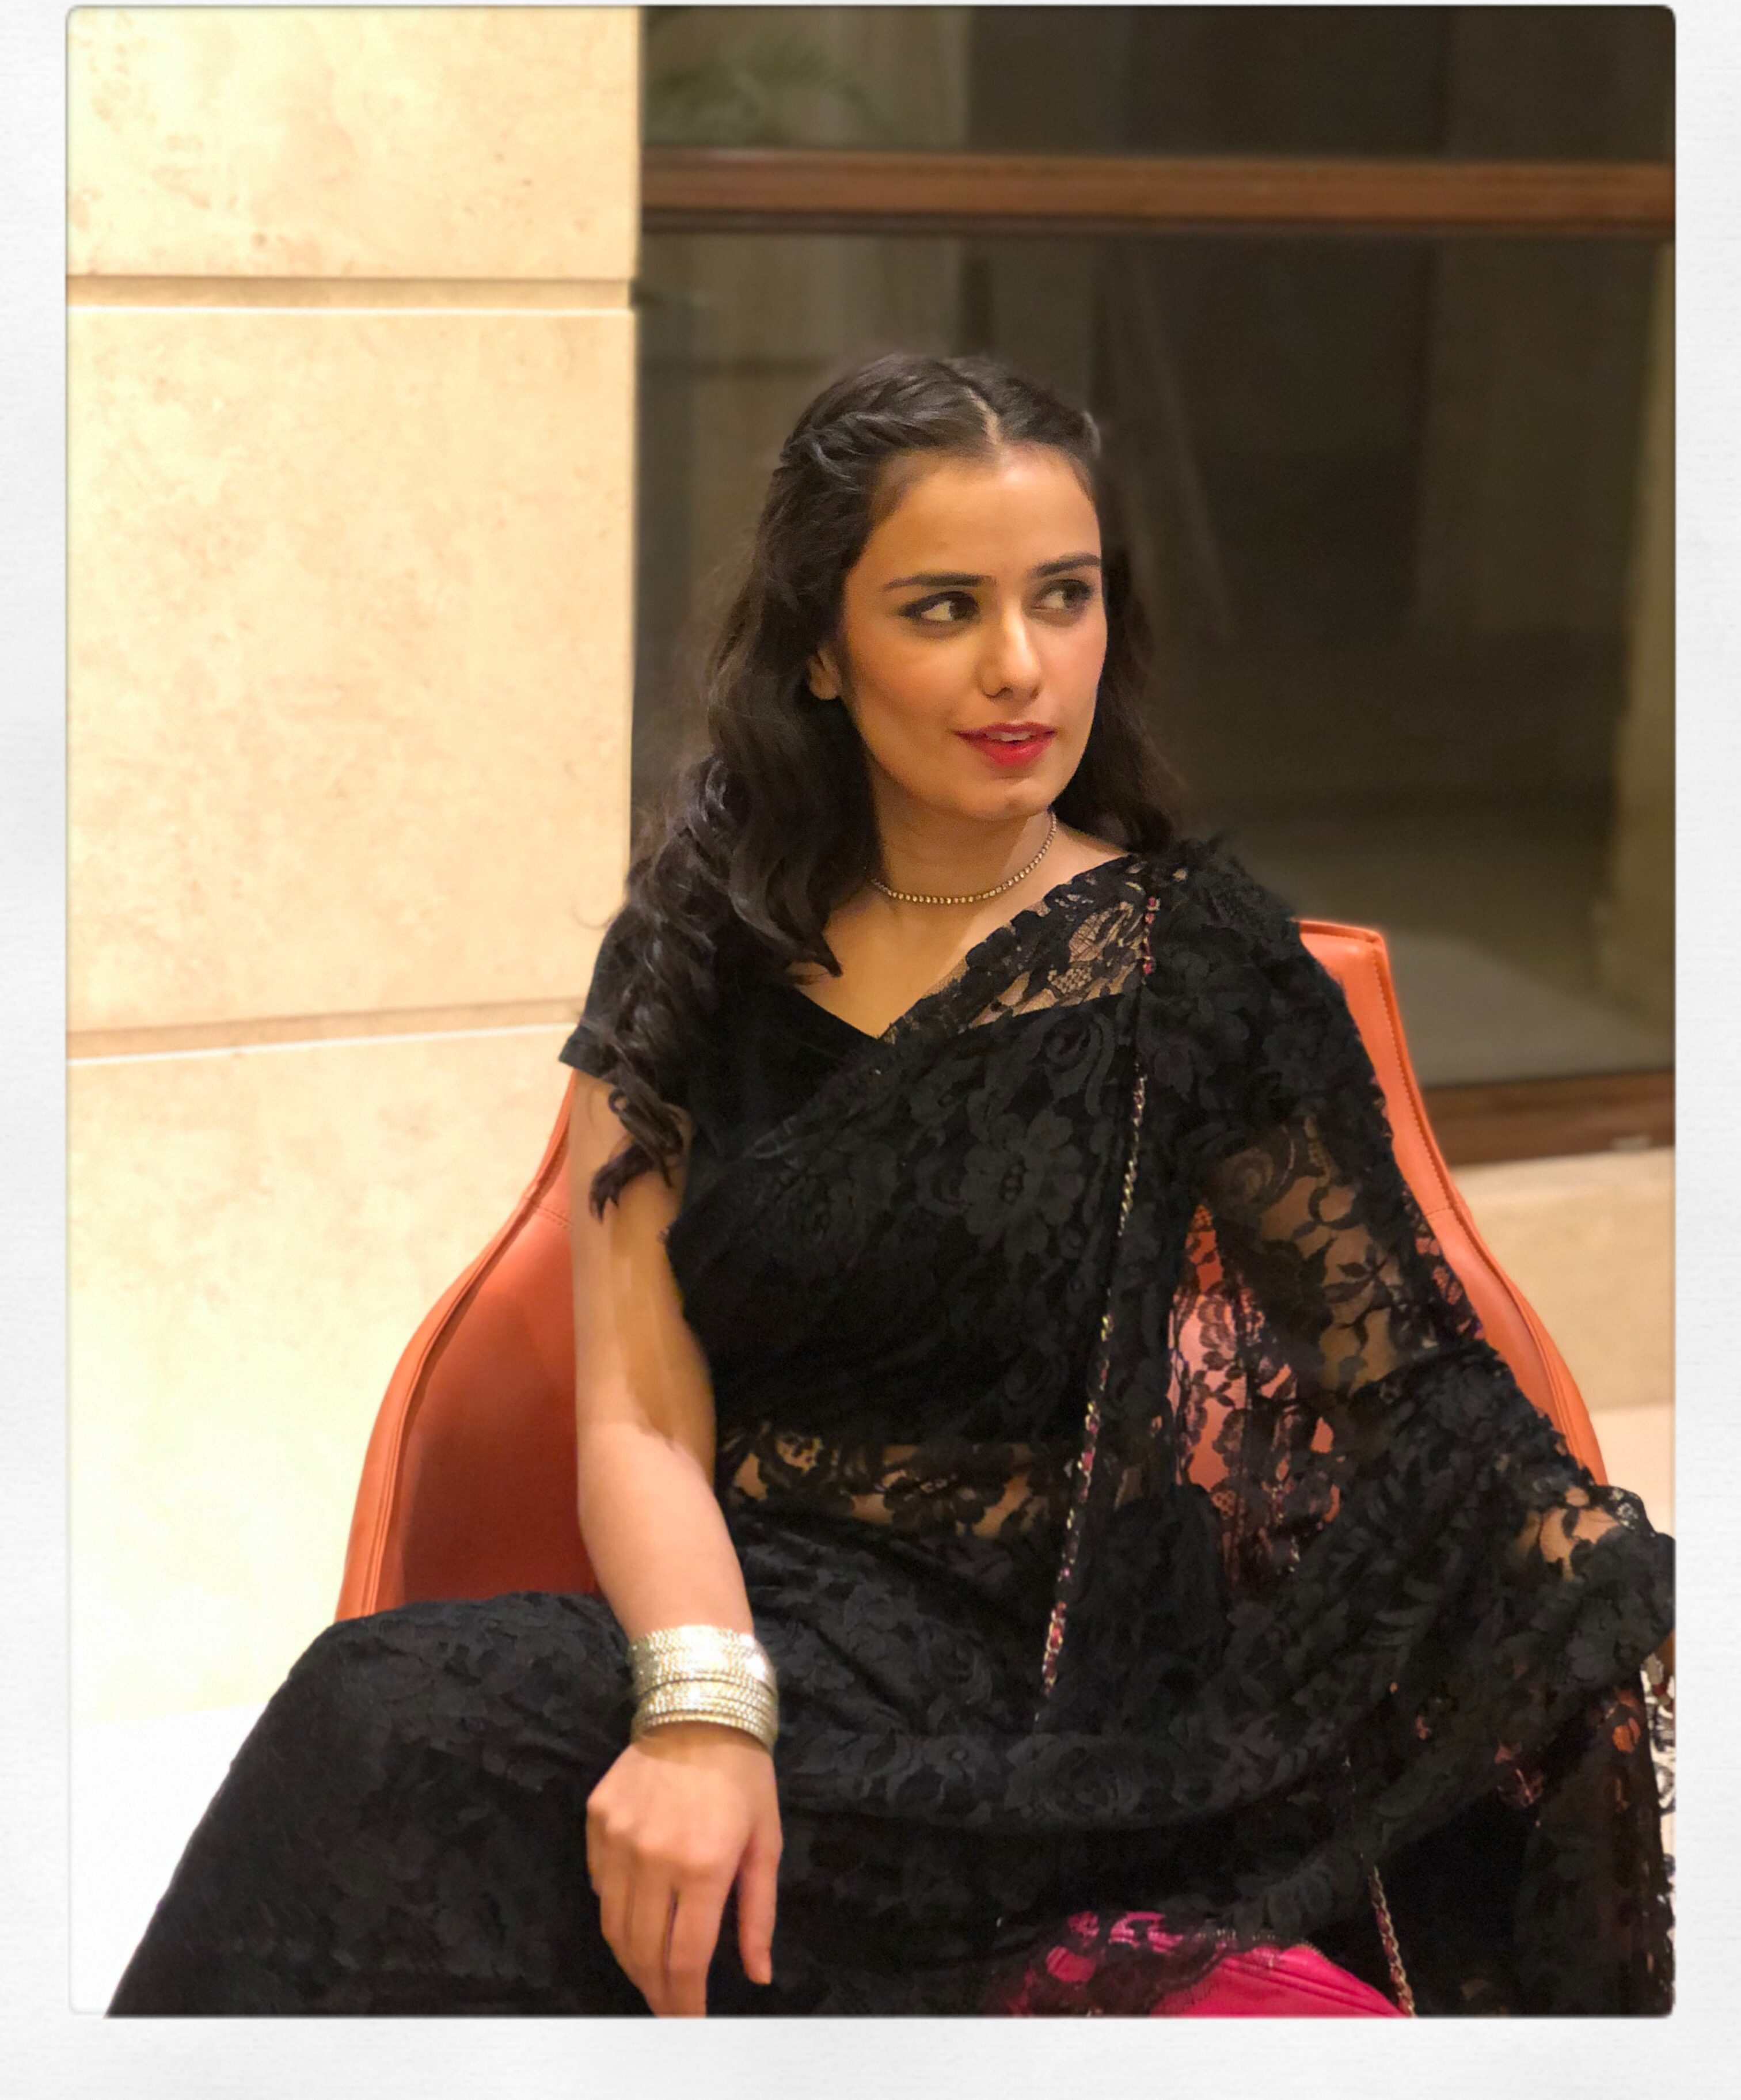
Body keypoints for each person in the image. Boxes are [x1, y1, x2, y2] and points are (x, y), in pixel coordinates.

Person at [111, 351, 1674, 2018]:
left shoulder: (1196, 967)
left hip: (1062, 1708)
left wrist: (1608, 1586)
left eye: (1064, 596)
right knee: (377, 1710)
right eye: (944, 609)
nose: (1021, 666)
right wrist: (701, 1708)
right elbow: (640, 1411)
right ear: (820, 648)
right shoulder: (700, 947)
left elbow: (1413, 1390)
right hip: (759, 1629)